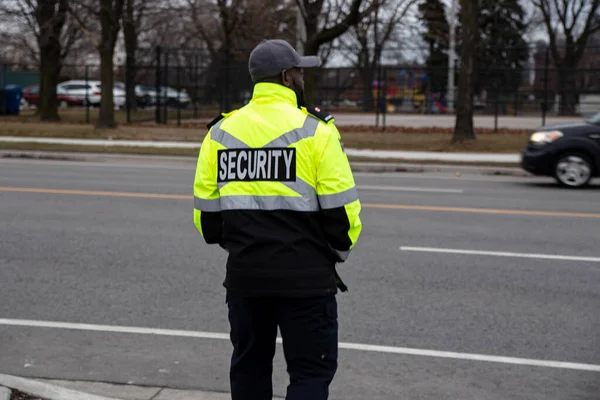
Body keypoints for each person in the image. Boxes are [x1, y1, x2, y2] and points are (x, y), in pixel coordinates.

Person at [192, 39, 362, 400]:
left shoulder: (219, 134)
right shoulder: (317, 130)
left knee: (249, 369)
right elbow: (342, 217)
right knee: (310, 374)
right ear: (287, 76)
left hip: (246, 277)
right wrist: (333, 254)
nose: (302, 77)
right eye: (300, 71)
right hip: (307, 280)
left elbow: (209, 225)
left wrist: (245, 244)